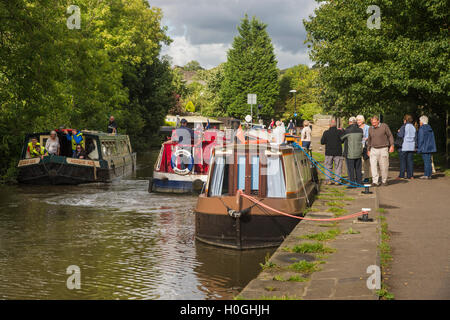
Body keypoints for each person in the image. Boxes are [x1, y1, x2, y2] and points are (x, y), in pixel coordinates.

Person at [367, 115, 394, 186]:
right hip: (373, 149)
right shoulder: (370, 128)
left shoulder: (384, 126)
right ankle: (375, 181)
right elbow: (369, 139)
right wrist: (368, 149)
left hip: (383, 148)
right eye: (372, 123)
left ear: (378, 121)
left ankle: (384, 181)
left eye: (375, 123)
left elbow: (390, 135)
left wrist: (392, 145)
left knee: (384, 166)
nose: (374, 124)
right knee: (373, 166)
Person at [341, 117, 364, 187]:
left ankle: (352, 183)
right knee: (358, 169)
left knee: (351, 169)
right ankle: (359, 182)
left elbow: (341, 139)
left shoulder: (347, 130)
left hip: (350, 153)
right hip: (359, 153)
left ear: (349, 122)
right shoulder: (360, 130)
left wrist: (342, 130)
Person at [320, 119, 344, 185]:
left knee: (328, 166)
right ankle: (337, 180)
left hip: (329, 152)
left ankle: (328, 180)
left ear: (329, 125)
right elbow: (343, 141)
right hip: (338, 152)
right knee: (338, 167)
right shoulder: (339, 132)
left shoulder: (326, 132)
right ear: (336, 125)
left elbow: (322, 142)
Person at [396, 115, 416, 180]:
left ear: (405, 120)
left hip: (404, 146)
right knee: (410, 161)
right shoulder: (413, 127)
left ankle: (401, 175)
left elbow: (400, 135)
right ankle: (411, 175)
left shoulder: (404, 126)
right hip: (411, 146)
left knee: (403, 161)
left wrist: (398, 132)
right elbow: (415, 137)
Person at [417, 115, 436, 179]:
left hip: (424, 147)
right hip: (430, 147)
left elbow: (421, 139)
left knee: (426, 161)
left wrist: (419, 148)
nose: (419, 122)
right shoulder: (430, 128)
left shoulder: (422, 128)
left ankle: (426, 175)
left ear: (422, 121)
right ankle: (429, 174)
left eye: (419, 121)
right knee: (429, 161)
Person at [356, 115, 371, 183]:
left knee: (366, 163)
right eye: (357, 120)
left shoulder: (367, 127)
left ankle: (366, 177)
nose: (358, 121)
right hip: (357, 146)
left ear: (362, 120)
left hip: (365, 146)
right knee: (359, 163)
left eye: (359, 120)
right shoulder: (356, 128)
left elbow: (368, 137)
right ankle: (359, 177)